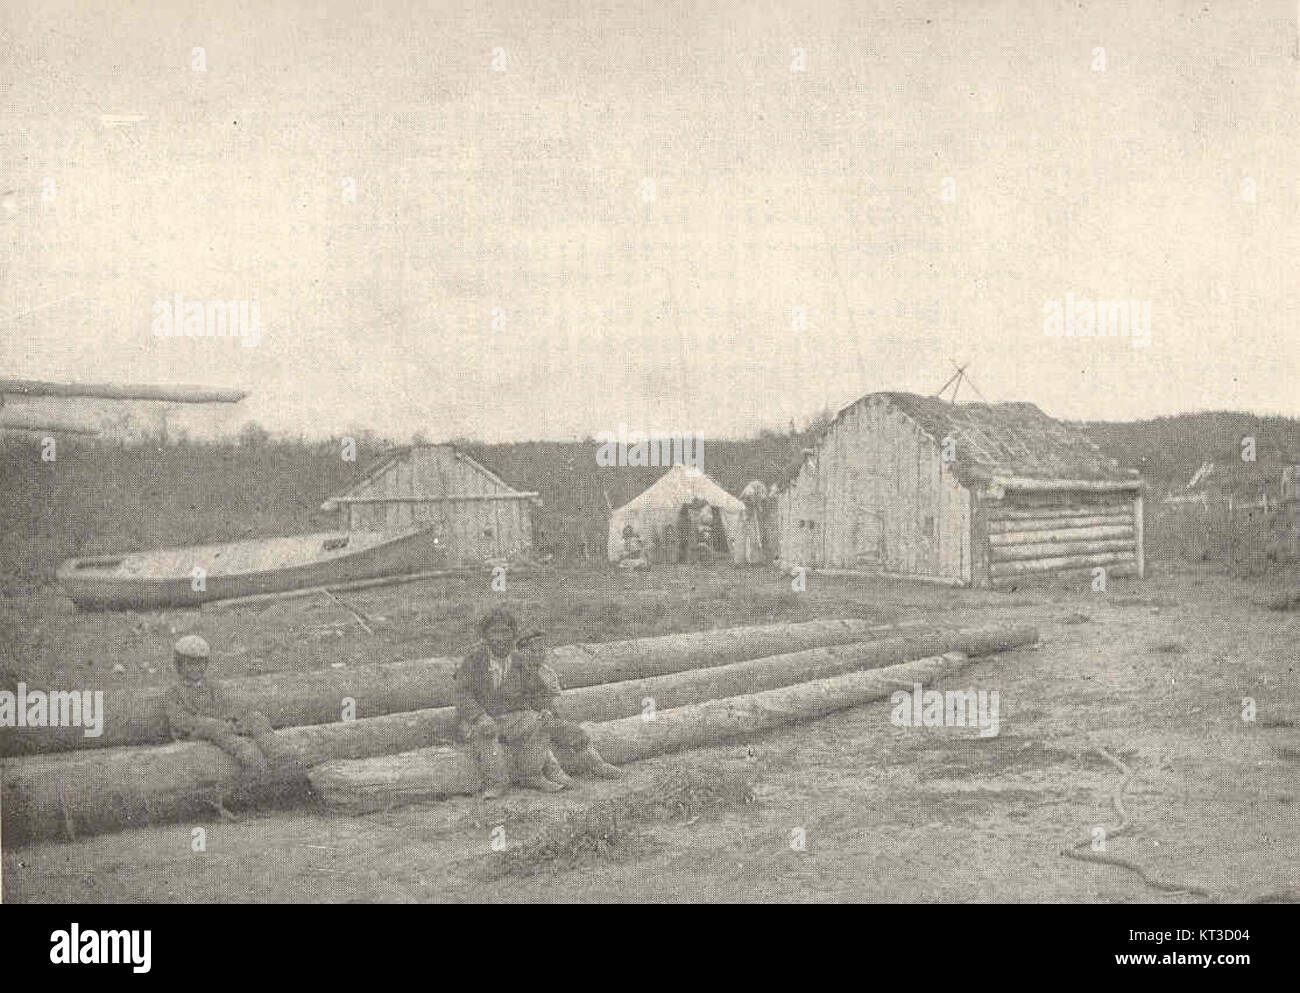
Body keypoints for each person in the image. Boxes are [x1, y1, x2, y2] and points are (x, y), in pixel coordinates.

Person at [163, 635, 297, 818]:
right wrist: (216, 724)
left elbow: (227, 707)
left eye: (202, 663)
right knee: (220, 731)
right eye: (191, 664)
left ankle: (276, 751)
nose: (198, 668)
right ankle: (249, 755)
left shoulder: (212, 686)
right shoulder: (174, 692)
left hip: (220, 727)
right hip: (194, 733)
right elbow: (180, 720)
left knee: (255, 717)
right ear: (179, 665)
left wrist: (235, 722)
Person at [453, 606, 561, 798]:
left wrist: (545, 709)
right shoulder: (474, 660)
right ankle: (496, 783)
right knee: (487, 731)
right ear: (485, 637)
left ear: (513, 635)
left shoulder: (519, 661)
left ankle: (531, 775)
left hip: (509, 718)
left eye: (506, 632)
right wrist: (479, 716)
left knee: (541, 721)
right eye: (494, 632)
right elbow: (462, 694)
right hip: (476, 720)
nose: (501, 638)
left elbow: (538, 691)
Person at [513, 630, 622, 786]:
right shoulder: (513, 673)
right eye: (532, 651)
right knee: (540, 735)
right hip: (523, 718)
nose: (537, 654)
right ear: (521, 652)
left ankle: (597, 764)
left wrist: (549, 712)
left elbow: (551, 700)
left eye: (541, 650)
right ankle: (555, 773)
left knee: (573, 732)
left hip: (545, 715)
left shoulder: (547, 673)